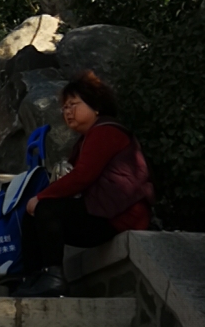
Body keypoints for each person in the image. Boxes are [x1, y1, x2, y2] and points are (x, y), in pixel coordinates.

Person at [16, 71, 153, 297]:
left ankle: (53, 277)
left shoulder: (106, 131)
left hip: (120, 216)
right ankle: (33, 277)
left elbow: (82, 176)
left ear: (95, 106)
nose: (67, 111)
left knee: (45, 209)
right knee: (34, 214)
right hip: (101, 212)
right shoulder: (89, 137)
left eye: (73, 104)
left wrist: (41, 197)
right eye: (64, 107)